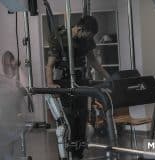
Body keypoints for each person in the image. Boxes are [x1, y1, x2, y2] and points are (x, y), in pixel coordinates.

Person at [46, 16, 110, 159]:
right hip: (64, 83)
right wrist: (51, 85)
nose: (89, 39)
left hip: (81, 81)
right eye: (89, 35)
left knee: (82, 118)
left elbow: (93, 61)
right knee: (68, 122)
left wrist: (108, 77)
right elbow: (49, 65)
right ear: (81, 29)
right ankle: (66, 154)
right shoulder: (60, 38)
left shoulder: (86, 39)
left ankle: (78, 154)